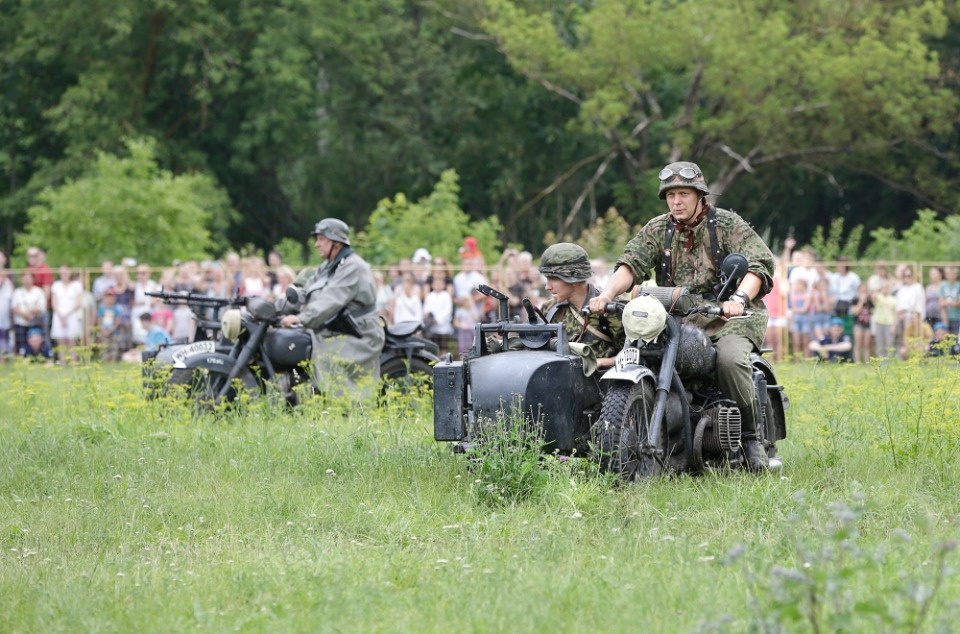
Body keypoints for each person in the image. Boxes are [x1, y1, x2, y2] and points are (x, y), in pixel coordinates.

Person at [589, 161, 775, 471]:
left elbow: (759, 265)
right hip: (676, 319)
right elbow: (630, 263)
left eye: (684, 194)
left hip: (728, 319)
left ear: (700, 195)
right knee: (637, 353)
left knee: (729, 360)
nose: (676, 201)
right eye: (671, 195)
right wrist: (607, 295)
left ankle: (750, 437)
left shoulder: (726, 225)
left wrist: (739, 298)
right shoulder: (659, 228)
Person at [279, 218, 384, 398]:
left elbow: (331, 299)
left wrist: (301, 318)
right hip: (341, 329)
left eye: (321, 239)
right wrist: (277, 306)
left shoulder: (352, 266)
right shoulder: (328, 266)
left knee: (326, 356)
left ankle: (345, 407)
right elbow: (306, 290)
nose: (316, 244)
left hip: (360, 334)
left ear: (336, 243)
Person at [538, 243, 625, 371]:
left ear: (575, 279)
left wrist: (600, 362)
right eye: (547, 279)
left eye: (554, 279)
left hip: (604, 385)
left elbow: (635, 354)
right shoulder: (549, 309)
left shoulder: (612, 309)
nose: (548, 287)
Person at [50, 265, 84, 362]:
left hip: (72, 314)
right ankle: (62, 362)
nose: (64, 274)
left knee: (72, 341)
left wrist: (67, 314)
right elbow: (54, 302)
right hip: (59, 315)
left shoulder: (77, 285)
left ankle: (73, 362)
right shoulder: (56, 285)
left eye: (66, 272)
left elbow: (78, 302)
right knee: (60, 341)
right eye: (62, 272)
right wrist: (61, 315)